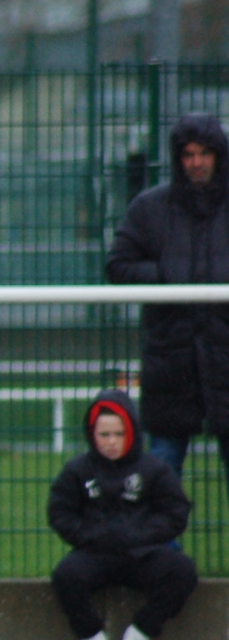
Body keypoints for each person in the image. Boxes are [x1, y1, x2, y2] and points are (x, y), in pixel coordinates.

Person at [107, 113, 229, 481]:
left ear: (219, 156)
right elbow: (117, 265)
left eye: (205, 154)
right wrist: (165, 277)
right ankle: (163, 526)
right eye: (188, 154)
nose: (196, 162)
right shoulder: (150, 208)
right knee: (162, 476)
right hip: (169, 363)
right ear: (178, 159)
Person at [48, 391, 197, 640]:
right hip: (94, 554)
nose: (111, 442)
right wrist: (91, 537)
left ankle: (137, 639)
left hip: (141, 555)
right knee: (66, 576)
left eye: (119, 434)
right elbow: (60, 513)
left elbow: (175, 512)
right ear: (92, 435)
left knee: (183, 572)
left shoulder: (154, 470)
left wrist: (140, 536)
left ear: (132, 432)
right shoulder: (77, 470)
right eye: (104, 435)